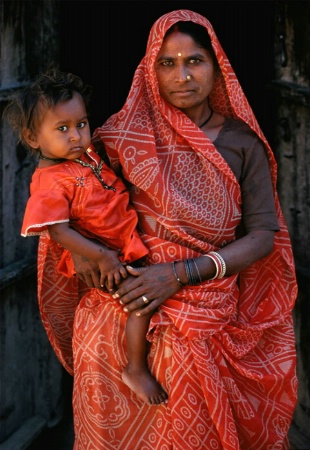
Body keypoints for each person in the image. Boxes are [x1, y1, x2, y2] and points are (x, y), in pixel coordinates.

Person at [23, 10, 297, 450]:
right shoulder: (117, 136)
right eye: (167, 63)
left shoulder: (243, 144)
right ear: (149, 70)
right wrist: (82, 252)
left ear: (218, 65)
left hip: (207, 312)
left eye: (195, 60)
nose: (182, 75)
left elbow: (263, 235)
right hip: (118, 310)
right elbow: (68, 198)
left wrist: (181, 274)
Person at [4, 66, 169, 405]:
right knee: (139, 304)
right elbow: (58, 231)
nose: (77, 135)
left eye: (80, 124)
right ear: (34, 139)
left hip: (121, 245)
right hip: (108, 256)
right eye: (62, 129)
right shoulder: (49, 181)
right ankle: (135, 368)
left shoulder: (82, 156)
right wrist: (101, 255)